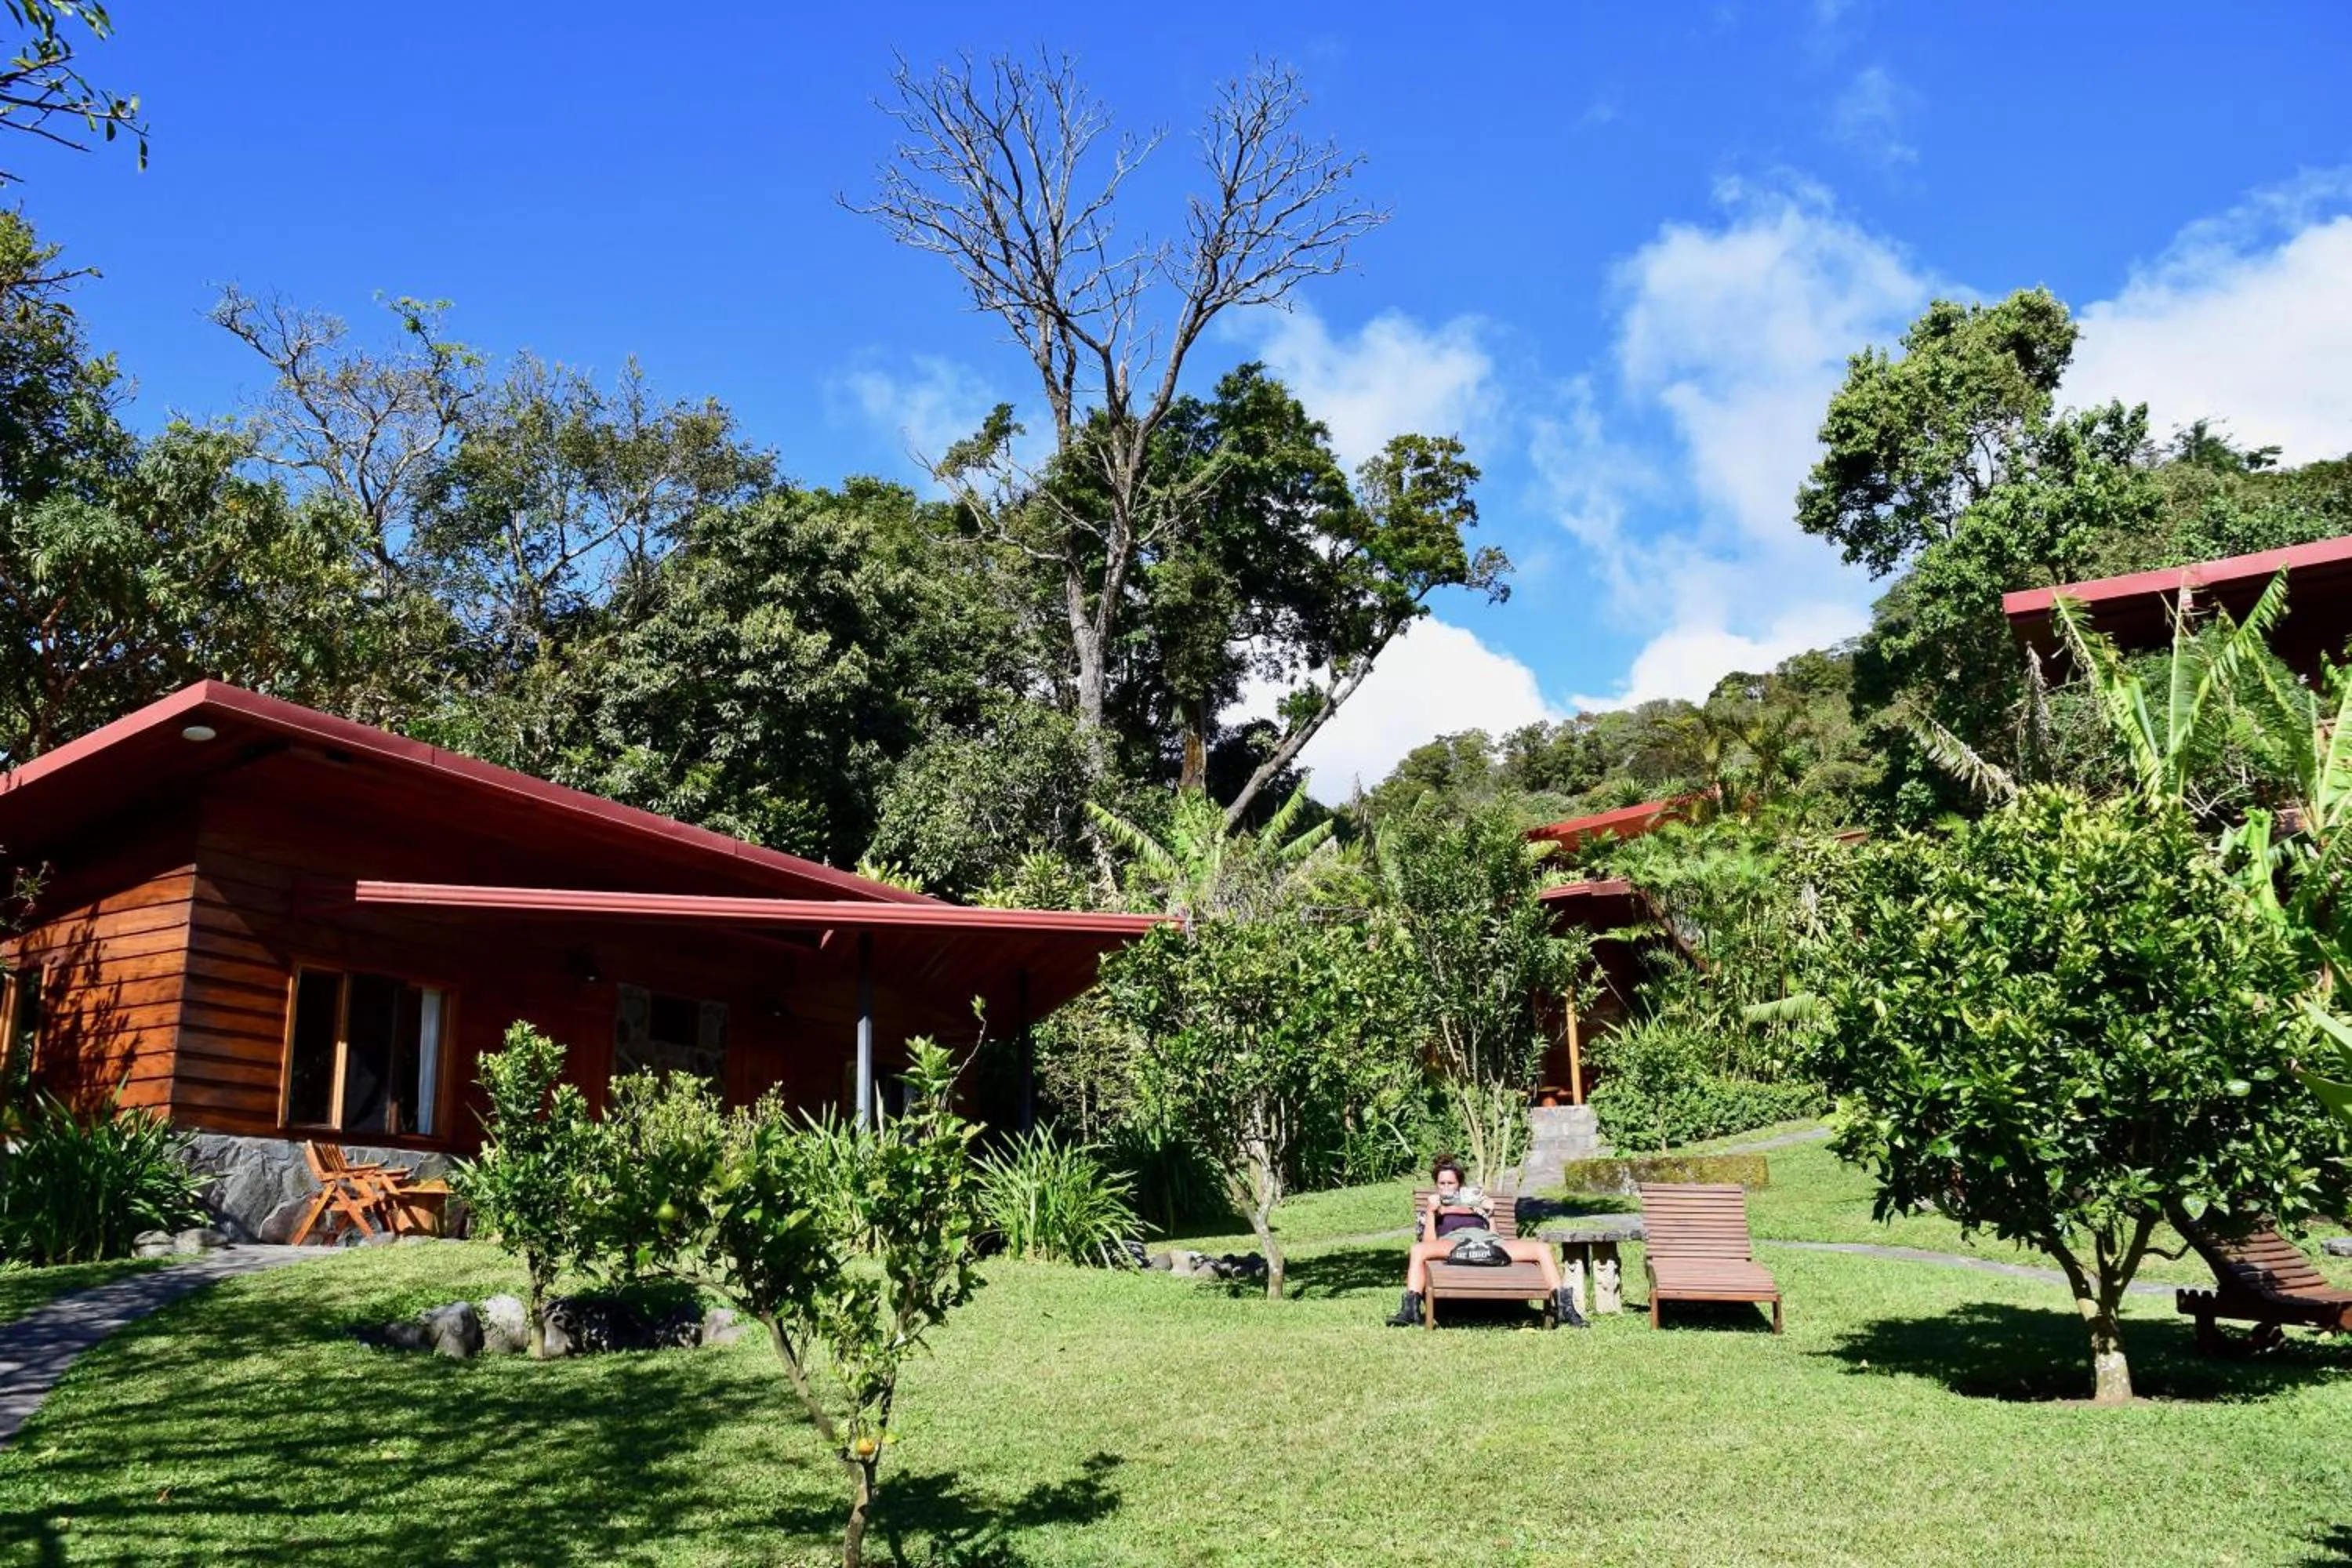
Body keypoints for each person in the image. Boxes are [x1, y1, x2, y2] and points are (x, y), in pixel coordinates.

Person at [1385, 1155, 1585, 1328]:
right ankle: (1410, 1311)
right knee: (1417, 1250)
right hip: (1455, 1243)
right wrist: (1430, 1212)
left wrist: (1490, 1214)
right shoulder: (1433, 1207)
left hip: (1489, 1242)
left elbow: (1496, 1236)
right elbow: (1428, 1244)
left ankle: (1564, 1309)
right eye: (1442, 1184)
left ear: (1460, 1185)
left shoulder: (1475, 1205)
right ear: (1436, 1185)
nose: (1446, 1188)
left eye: (1451, 1184)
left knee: (1542, 1249)